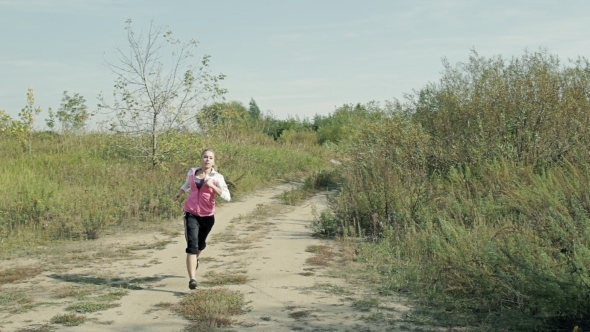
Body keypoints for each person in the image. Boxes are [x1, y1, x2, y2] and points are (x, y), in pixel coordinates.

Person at [172, 148, 231, 290]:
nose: (207, 160)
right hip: (191, 214)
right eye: (205, 157)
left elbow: (227, 197)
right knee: (192, 247)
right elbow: (187, 184)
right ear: (201, 159)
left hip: (208, 216)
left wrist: (212, 186)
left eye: (210, 158)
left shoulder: (217, 177)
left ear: (213, 161)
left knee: (200, 244)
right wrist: (179, 193)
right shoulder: (192, 172)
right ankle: (192, 279)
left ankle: (195, 259)